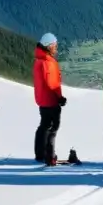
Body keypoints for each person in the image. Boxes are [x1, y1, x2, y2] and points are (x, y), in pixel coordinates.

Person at [33, 33, 66, 165]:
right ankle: (49, 155)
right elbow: (52, 83)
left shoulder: (39, 60)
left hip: (42, 98)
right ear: (49, 45)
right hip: (50, 100)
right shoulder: (48, 62)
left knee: (44, 126)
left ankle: (40, 154)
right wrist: (60, 97)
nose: (56, 48)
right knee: (52, 127)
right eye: (55, 45)